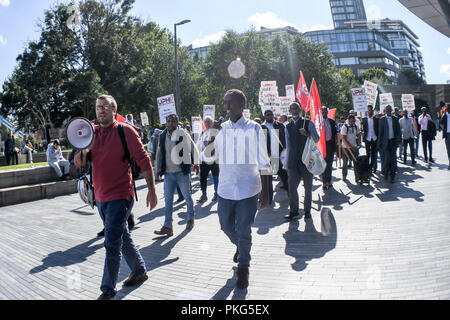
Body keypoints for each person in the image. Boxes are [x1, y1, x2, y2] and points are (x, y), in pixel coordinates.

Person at [74, 94, 157, 300]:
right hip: (100, 197)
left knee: (111, 242)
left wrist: (152, 190)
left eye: (104, 107)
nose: (100, 110)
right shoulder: (90, 133)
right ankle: (139, 270)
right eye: (97, 107)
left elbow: (144, 160)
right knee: (122, 236)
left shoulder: (125, 131)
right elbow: (78, 162)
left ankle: (107, 290)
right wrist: (85, 149)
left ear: (113, 110)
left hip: (121, 195)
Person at [214, 89, 270, 289]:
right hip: (226, 189)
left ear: (241, 105)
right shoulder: (221, 129)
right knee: (226, 226)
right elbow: (209, 156)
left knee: (244, 230)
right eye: (225, 102)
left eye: (230, 103)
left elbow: (264, 160)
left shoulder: (254, 128)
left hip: (248, 189)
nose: (226, 107)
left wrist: (266, 191)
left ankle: (244, 267)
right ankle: (240, 246)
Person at [155, 114, 198, 236]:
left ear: (177, 123)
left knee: (187, 197)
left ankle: (190, 219)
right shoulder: (163, 135)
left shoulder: (183, 133)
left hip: (182, 173)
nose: (170, 123)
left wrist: (197, 163)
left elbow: (193, 147)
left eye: (173, 121)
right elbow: (159, 153)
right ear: (166, 123)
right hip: (168, 174)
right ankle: (168, 226)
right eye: (168, 121)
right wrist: (158, 169)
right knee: (168, 202)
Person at [284, 102, 319, 221]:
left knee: (308, 188)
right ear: (289, 111)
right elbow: (288, 146)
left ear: (300, 110)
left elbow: (317, 138)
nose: (294, 110)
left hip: (306, 161)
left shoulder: (308, 123)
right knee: (292, 188)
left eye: (296, 108)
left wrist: (308, 134)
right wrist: (286, 162)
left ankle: (307, 211)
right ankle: (294, 211)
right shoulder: (287, 127)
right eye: (292, 109)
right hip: (293, 162)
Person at [263, 109, 289, 192]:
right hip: (269, 154)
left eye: (271, 114)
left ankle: (288, 189)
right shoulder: (262, 127)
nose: (269, 116)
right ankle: (269, 198)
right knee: (268, 177)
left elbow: (285, 137)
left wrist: (286, 148)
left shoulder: (280, 125)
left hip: (280, 152)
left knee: (283, 173)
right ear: (264, 116)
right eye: (267, 115)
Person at [196, 116, 220, 203]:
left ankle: (217, 193)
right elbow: (199, 145)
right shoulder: (202, 133)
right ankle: (204, 194)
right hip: (204, 159)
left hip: (214, 159)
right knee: (203, 177)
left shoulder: (217, 133)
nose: (207, 124)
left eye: (209, 122)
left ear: (212, 123)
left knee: (216, 177)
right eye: (206, 122)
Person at [378, 105, 402, 183]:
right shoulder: (382, 119)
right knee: (388, 159)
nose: (388, 111)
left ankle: (392, 176)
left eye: (389, 109)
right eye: (387, 109)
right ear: (385, 110)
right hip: (386, 142)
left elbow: (398, 130)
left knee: (394, 159)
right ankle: (386, 172)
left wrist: (399, 140)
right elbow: (380, 132)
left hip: (393, 141)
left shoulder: (395, 119)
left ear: (391, 110)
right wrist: (379, 143)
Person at [321, 107, 338, 189]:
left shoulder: (331, 121)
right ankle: (324, 182)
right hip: (322, 146)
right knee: (323, 164)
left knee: (329, 164)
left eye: (325, 111)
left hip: (330, 145)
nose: (324, 113)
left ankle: (329, 181)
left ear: (327, 112)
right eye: (322, 111)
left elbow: (335, 133)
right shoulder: (318, 123)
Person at [340, 115, 361, 182]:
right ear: (348, 120)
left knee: (356, 162)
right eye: (351, 121)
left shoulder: (356, 127)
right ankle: (344, 175)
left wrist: (358, 144)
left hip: (354, 147)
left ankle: (357, 177)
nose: (352, 122)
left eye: (353, 121)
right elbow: (344, 138)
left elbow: (358, 135)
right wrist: (351, 147)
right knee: (345, 163)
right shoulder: (344, 127)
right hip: (346, 148)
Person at [362, 105, 379, 173]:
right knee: (367, 154)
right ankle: (367, 167)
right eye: (369, 110)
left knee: (374, 154)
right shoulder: (364, 120)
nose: (370, 111)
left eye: (371, 110)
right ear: (367, 111)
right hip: (367, 139)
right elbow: (363, 129)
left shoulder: (376, 119)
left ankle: (372, 167)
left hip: (374, 138)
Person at [440, 103, 450, 170]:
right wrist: (443, 113)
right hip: (447, 135)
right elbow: (441, 122)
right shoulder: (445, 115)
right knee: (448, 150)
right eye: (447, 108)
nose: (448, 109)